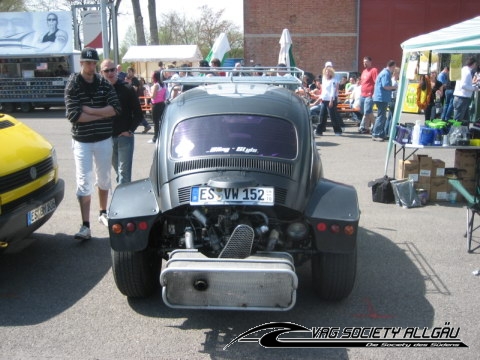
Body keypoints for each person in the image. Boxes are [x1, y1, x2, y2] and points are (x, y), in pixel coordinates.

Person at [64, 47, 121, 241]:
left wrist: (89, 110)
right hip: (82, 141)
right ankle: (85, 225)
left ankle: (103, 212)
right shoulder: (73, 84)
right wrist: (100, 112)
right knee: (83, 181)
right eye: (87, 62)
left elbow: (115, 109)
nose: (90, 66)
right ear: (81, 63)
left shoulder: (104, 83)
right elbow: (73, 115)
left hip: (103, 138)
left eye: (93, 63)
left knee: (104, 177)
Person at [100, 59, 143, 184]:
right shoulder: (100, 91)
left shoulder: (127, 88)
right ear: (101, 72)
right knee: (119, 173)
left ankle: (123, 201)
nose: (110, 73)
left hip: (124, 137)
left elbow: (139, 114)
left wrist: (130, 130)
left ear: (117, 70)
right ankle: (123, 196)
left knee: (124, 174)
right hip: (107, 139)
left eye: (112, 69)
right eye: (106, 70)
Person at [371, 60, 398, 141]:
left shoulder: (383, 72)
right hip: (381, 98)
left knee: (382, 116)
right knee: (381, 116)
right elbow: (385, 86)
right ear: (392, 66)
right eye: (394, 68)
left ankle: (380, 133)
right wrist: (394, 87)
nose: (394, 70)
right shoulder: (386, 73)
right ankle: (376, 134)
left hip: (380, 97)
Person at [314, 66, 343, 136]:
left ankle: (338, 131)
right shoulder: (324, 80)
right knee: (322, 115)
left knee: (332, 116)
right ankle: (319, 130)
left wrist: (331, 101)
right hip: (324, 100)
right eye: (326, 72)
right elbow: (324, 91)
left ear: (331, 73)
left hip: (330, 100)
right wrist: (320, 98)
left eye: (328, 72)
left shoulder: (333, 81)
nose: (327, 73)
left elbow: (333, 91)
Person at [453, 56, 480, 125]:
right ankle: (455, 134)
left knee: (465, 119)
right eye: (475, 64)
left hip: (461, 97)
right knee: (458, 119)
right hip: (462, 98)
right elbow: (463, 85)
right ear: (473, 64)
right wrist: (474, 88)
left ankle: (464, 133)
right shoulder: (467, 72)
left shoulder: (463, 70)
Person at [358, 56, 378, 134]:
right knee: (364, 112)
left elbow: (376, 82)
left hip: (370, 95)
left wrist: (374, 94)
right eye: (363, 62)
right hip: (362, 94)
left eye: (366, 61)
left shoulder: (373, 70)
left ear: (370, 62)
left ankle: (376, 126)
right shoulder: (364, 71)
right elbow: (364, 82)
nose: (364, 63)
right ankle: (366, 128)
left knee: (368, 111)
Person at [148, 70, 168, 144]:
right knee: (162, 122)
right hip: (162, 104)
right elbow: (164, 95)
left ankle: (155, 138)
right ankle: (162, 137)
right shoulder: (163, 84)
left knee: (156, 122)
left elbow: (153, 96)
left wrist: (149, 91)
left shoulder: (156, 85)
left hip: (156, 105)